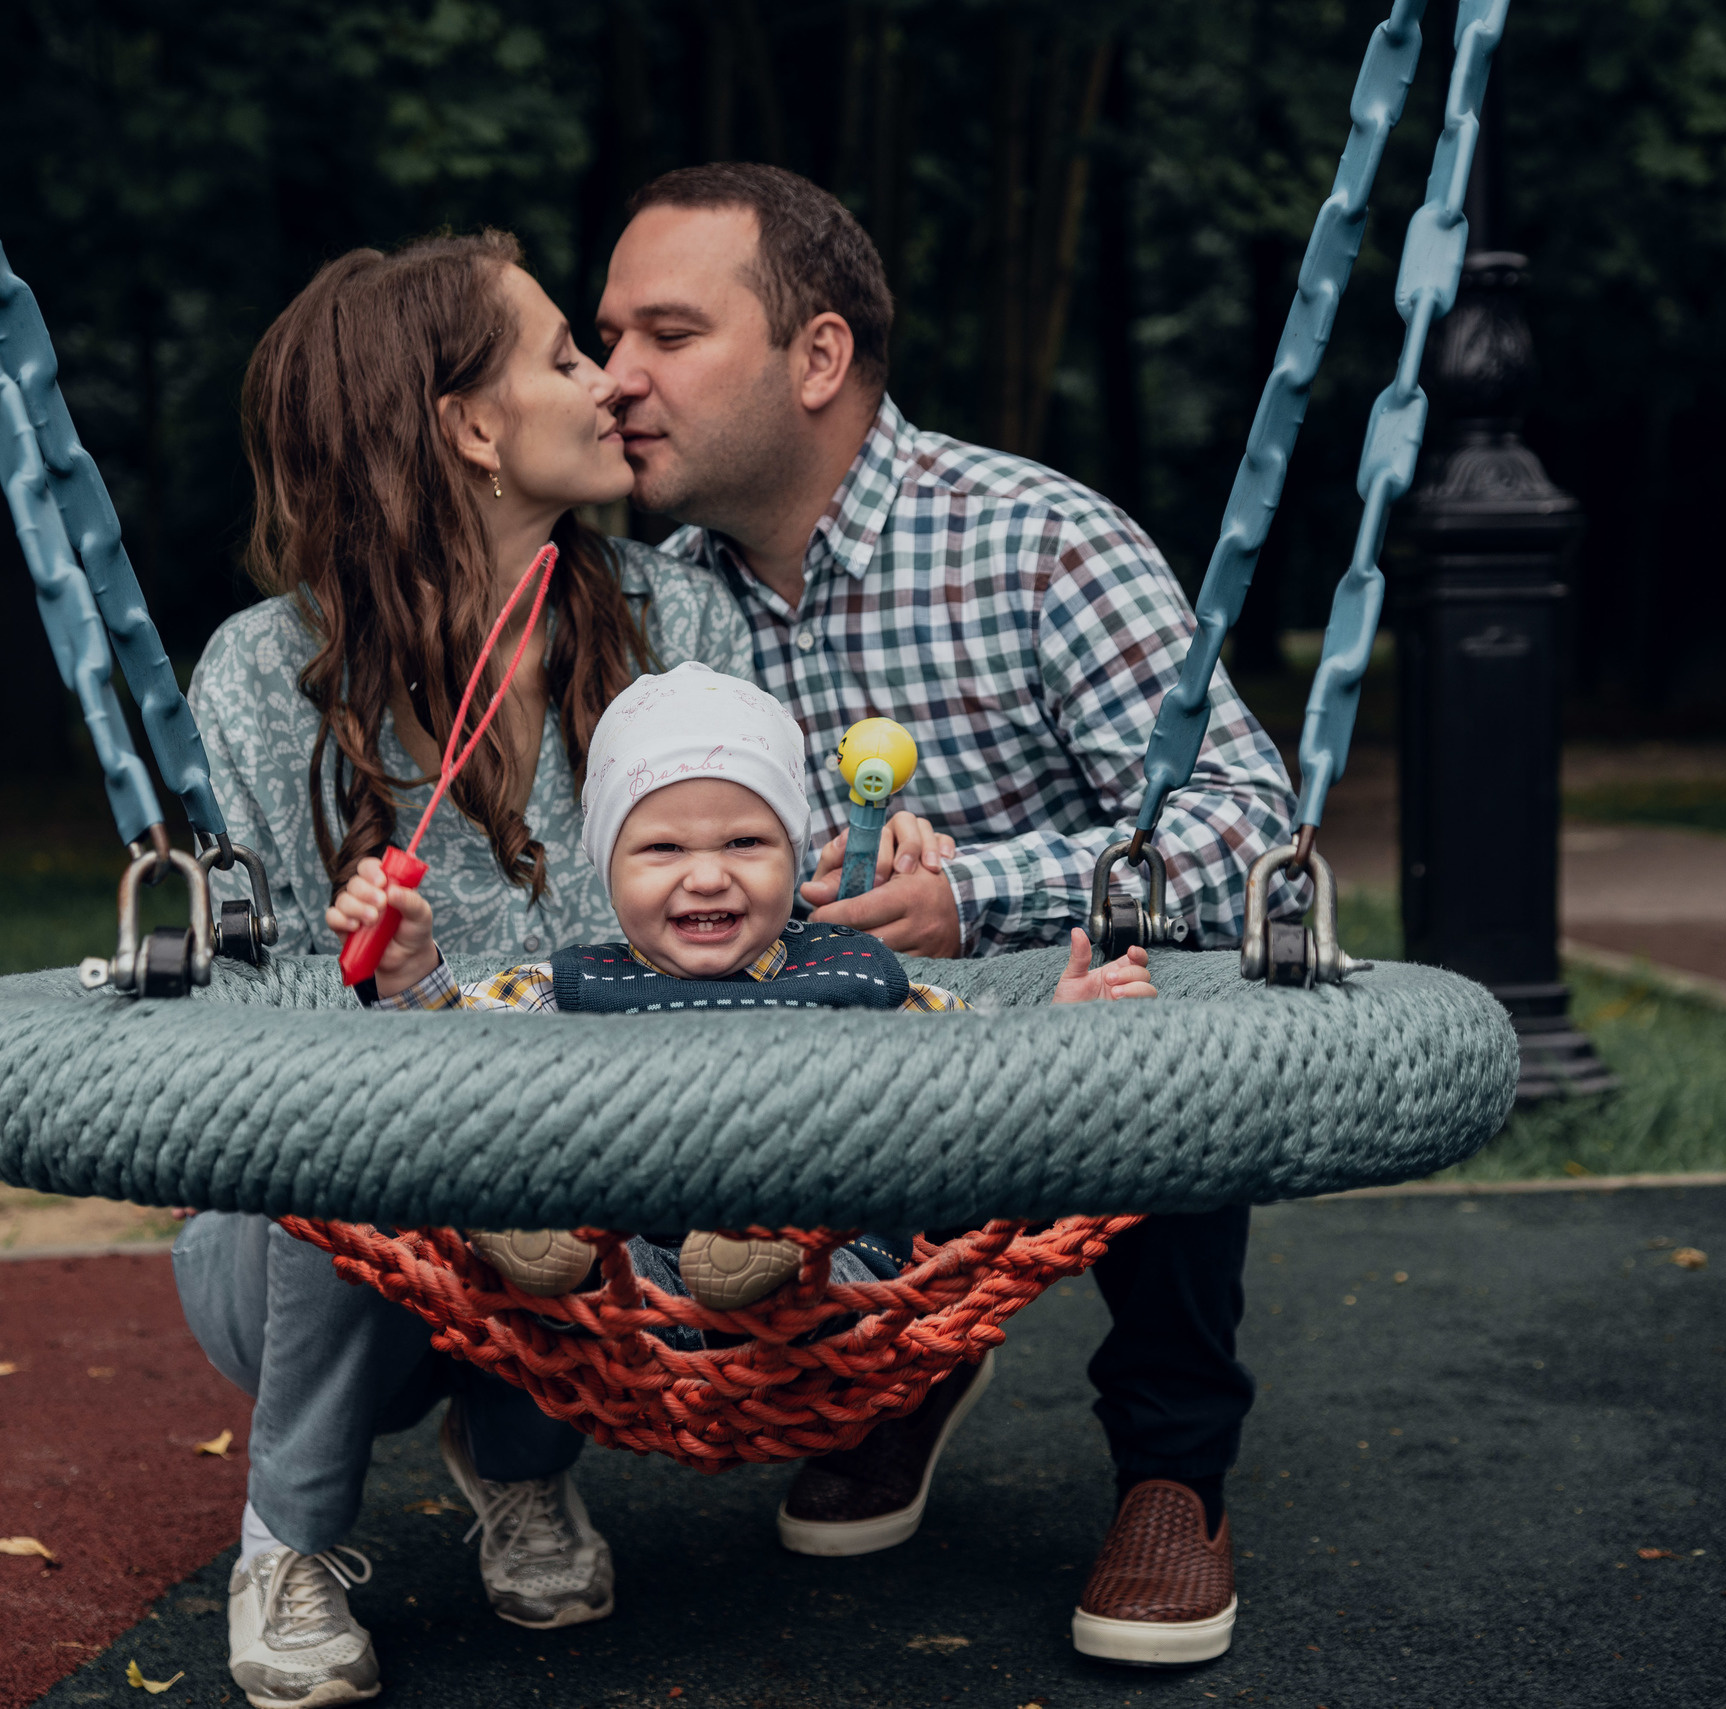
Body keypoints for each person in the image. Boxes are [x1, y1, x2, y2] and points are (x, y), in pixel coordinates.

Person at [596, 164, 1299, 1667]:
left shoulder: (1039, 543)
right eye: (606, 339)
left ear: (820, 357)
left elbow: (1251, 831)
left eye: (666, 332)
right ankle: (886, 1360)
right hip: (824, 1076)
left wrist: (972, 892)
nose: (617, 380)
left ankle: (1174, 1470)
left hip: (1061, 1047)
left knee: (1165, 1020)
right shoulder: (656, 608)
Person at [180, 232, 751, 1709]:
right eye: (566, 354)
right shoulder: (258, 676)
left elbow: (739, 927)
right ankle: (287, 1539)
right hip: (320, 1255)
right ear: (472, 430)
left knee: (590, 1139)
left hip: (589, 1218)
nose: (612, 379)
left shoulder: (672, 625)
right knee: (349, 1107)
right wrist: (387, 993)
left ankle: (520, 1455)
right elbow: (244, 1038)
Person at [323, 661, 1158, 1311]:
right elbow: (448, 1067)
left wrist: (1062, 1032)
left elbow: (983, 1071)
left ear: (795, 856)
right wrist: (407, 972)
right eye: (662, 851)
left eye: (747, 842)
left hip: (831, 1263)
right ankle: (538, 1231)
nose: (709, 876)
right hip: (629, 1277)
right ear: (606, 872)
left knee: (850, 1252)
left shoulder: (854, 972)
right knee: (558, 1241)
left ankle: (769, 1238)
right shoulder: (567, 987)